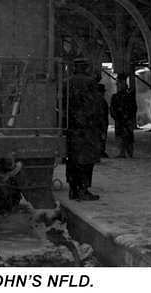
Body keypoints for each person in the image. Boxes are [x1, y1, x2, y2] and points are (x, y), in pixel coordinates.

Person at [66, 63, 101, 201]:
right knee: (86, 161)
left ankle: (73, 189)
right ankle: (83, 189)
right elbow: (95, 105)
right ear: (86, 68)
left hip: (71, 128)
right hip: (87, 128)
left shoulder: (66, 83)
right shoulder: (90, 82)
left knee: (72, 160)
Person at [110, 77, 137, 158]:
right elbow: (112, 108)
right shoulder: (125, 97)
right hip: (122, 119)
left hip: (123, 119)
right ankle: (125, 151)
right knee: (125, 135)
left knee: (125, 135)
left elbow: (133, 108)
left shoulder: (118, 97)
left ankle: (126, 151)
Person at [96, 83, 109, 158]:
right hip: (101, 123)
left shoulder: (96, 101)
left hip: (99, 123)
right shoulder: (102, 102)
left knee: (100, 137)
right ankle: (101, 151)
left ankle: (100, 151)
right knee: (102, 137)